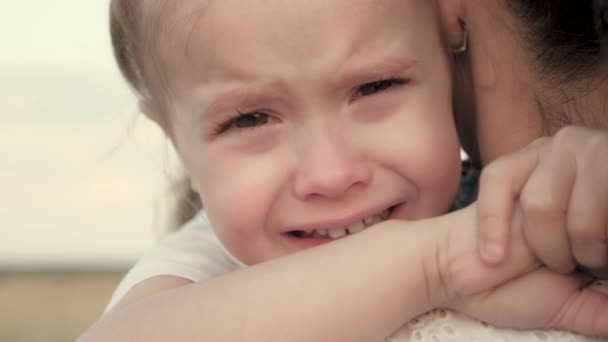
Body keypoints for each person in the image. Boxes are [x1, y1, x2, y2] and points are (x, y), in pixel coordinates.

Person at [78, 1, 608, 341]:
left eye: (375, 87)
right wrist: (437, 263)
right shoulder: (212, 265)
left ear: (451, 51)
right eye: (250, 119)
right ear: (177, 144)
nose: (331, 175)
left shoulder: (511, 200)